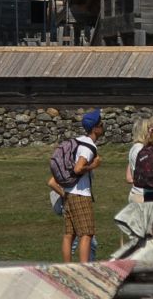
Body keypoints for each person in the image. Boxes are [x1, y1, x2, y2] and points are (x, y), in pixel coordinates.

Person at [49, 109, 103, 264]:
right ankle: (83, 269)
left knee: (69, 235)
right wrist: (93, 165)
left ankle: (68, 268)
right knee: (86, 234)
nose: (103, 127)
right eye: (101, 124)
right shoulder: (88, 147)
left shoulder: (78, 141)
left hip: (68, 193)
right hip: (81, 194)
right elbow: (78, 168)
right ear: (95, 128)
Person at [126, 117, 153, 226]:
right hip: (142, 194)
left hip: (136, 193)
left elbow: (129, 175)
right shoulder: (141, 149)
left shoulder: (135, 148)